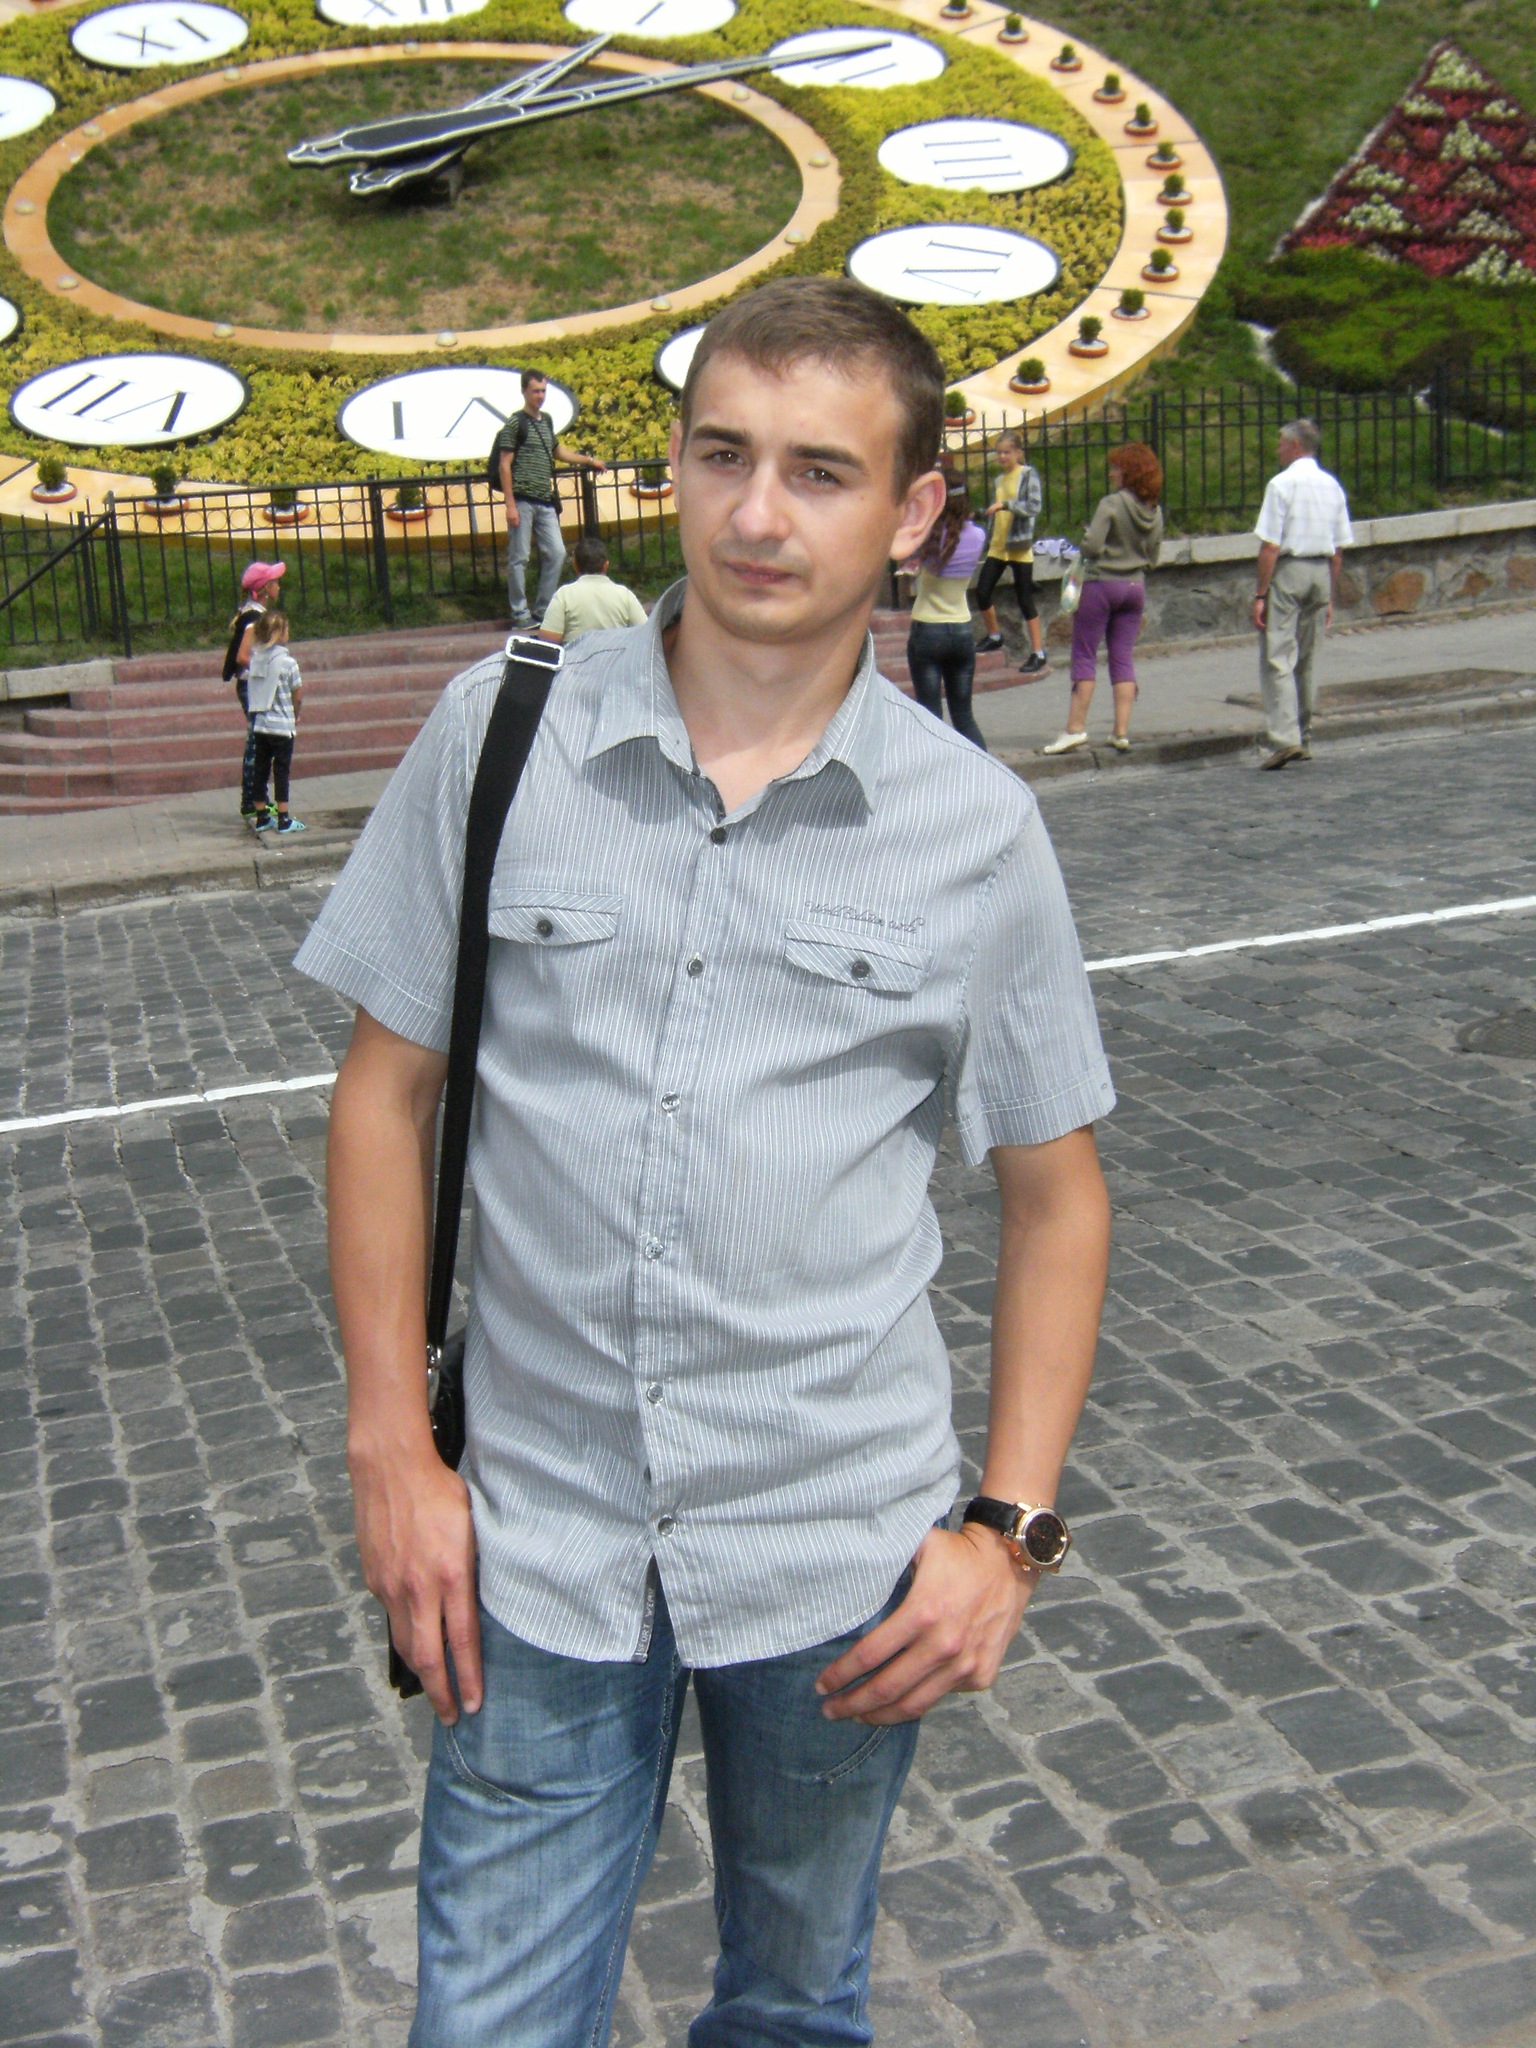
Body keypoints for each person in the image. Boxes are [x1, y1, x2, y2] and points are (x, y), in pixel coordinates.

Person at [296, 274, 1113, 2048]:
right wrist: (389, 1446)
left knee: (795, 2007)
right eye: (723, 454)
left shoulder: (975, 831)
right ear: (667, 466)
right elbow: (383, 1093)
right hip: (534, 1539)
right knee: (490, 2021)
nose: (757, 514)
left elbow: (1057, 1198)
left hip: (839, 1555)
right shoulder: (503, 732)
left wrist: (1007, 1530)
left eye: (820, 472)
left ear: (912, 513)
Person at [1042, 442, 1163, 757]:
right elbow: (1154, 556)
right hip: (1135, 587)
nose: (1111, 473)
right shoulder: (1154, 510)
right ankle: (1120, 731)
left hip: (1102, 585)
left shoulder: (1111, 503)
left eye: (1116, 468)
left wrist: (1086, 539)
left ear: (1129, 472)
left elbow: (1092, 546)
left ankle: (1075, 729)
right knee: (1122, 657)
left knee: (1084, 654)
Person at [1252, 418, 1353, 770]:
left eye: (1281, 443)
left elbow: (1270, 546)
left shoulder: (1281, 484)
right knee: (1309, 658)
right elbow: (1338, 550)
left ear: (1295, 446)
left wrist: (1260, 594)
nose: (1277, 449)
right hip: (1320, 571)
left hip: (1290, 570)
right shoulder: (1332, 485)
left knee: (1278, 655)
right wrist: (1331, 595)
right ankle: (1305, 735)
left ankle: (1285, 738)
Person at [492, 369, 607, 628]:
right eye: (535, 391)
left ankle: (541, 610)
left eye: (543, 391)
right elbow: (504, 464)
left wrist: (588, 460)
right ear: (524, 391)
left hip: (544, 499)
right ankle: (520, 613)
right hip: (522, 499)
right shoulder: (515, 423)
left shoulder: (547, 421)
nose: (540, 396)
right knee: (519, 557)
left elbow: (558, 451)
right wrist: (510, 504)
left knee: (557, 552)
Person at [901, 464, 989, 749]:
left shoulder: (927, 537)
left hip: (928, 630)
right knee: (964, 716)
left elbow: (904, 558)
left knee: (930, 718)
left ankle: (937, 774)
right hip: (962, 630)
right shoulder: (978, 536)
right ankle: (984, 769)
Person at [975, 430, 1049, 677]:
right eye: (999, 453)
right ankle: (994, 635)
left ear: (1018, 452)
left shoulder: (1027, 475)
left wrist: (1006, 505)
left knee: (1025, 599)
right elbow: (996, 510)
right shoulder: (999, 480)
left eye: (1007, 452)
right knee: (983, 591)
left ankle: (1038, 652)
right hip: (998, 545)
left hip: (1019, 546)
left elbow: (1034, 506)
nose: (1002, 457)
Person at [222, 560, 285, 824]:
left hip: (251, 685)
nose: (278, 586)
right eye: (275, 582)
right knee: (256, 743)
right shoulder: (254, 618)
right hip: (252, 685)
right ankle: (251, 800)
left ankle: (256, 798)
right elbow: (242, 656)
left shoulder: (252, 612)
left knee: (259, 742)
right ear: (265, 587)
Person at [244, 610, 305, 835]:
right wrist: (295, 714)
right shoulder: (288, 663)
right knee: (281, 771)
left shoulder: (256, 660)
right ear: (280, 633)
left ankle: (262, 815)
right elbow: (297, 694)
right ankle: (284, 817)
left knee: (260, 769)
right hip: (282, 726)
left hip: (261, 724)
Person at [537, 535, 647, 645]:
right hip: (615, 655)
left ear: (575, 565)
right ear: (606, 565)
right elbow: (646, 633)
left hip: (576, 655)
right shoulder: (625, 595)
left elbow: (548, 641)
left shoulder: (564, 595)